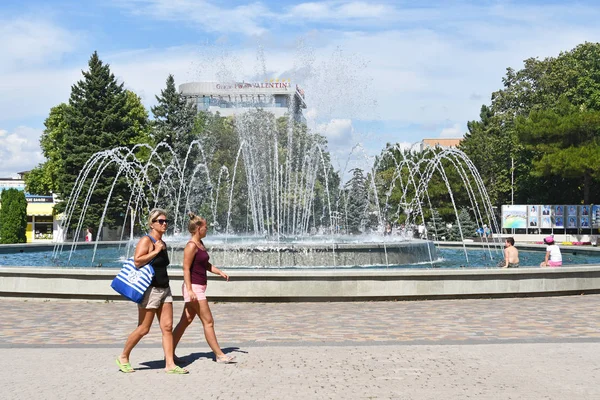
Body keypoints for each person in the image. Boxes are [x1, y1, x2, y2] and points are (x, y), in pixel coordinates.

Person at [116, 208, 188, 374]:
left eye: (166, 221)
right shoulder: (146, 241)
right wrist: (155, 251)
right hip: (150, 290)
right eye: (160, 221)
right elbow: (137, 261)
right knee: (143, 328)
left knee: (167, 327)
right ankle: (123, 356)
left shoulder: (162, 242)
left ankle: (170, 364)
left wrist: (160, 249)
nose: (164, 224)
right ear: (152, 224)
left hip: (164, 289)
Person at [172, 212, 235, 364]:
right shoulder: (191, 246)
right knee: (208, 321)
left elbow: (205, 264)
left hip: (198, 287)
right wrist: (190, 290)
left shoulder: (200, 244)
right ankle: (219, 355)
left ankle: (169, 352)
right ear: (198, 228)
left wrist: (219, 272)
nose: (207, 230)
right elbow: (186, 269)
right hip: (194, 288)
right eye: (206, 227)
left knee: (185, 321)